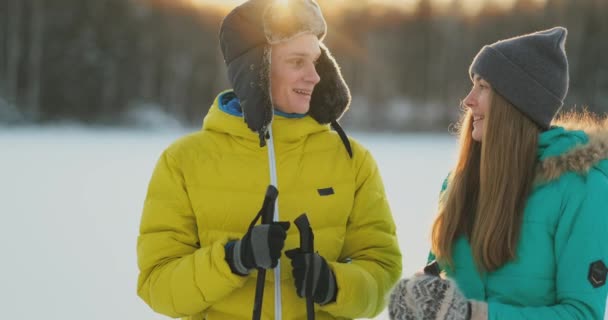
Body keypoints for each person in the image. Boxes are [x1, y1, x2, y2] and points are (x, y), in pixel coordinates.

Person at [136, 0, 402, 319]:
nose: (314, 76)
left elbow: (383, 274)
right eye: (297, 62)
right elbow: (159, 287)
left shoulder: (352, 160)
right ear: (256, 69)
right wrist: (233, 260)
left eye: (317, 62)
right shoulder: (183, 162)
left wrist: (334, 285)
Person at [388, 27, 608, 320]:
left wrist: (475, 314)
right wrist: (423, 295)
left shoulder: (581, 187)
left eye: (483, 87)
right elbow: (442, 278)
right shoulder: (459, 183)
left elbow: (583, 314)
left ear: (516, 103)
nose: (468, 100)